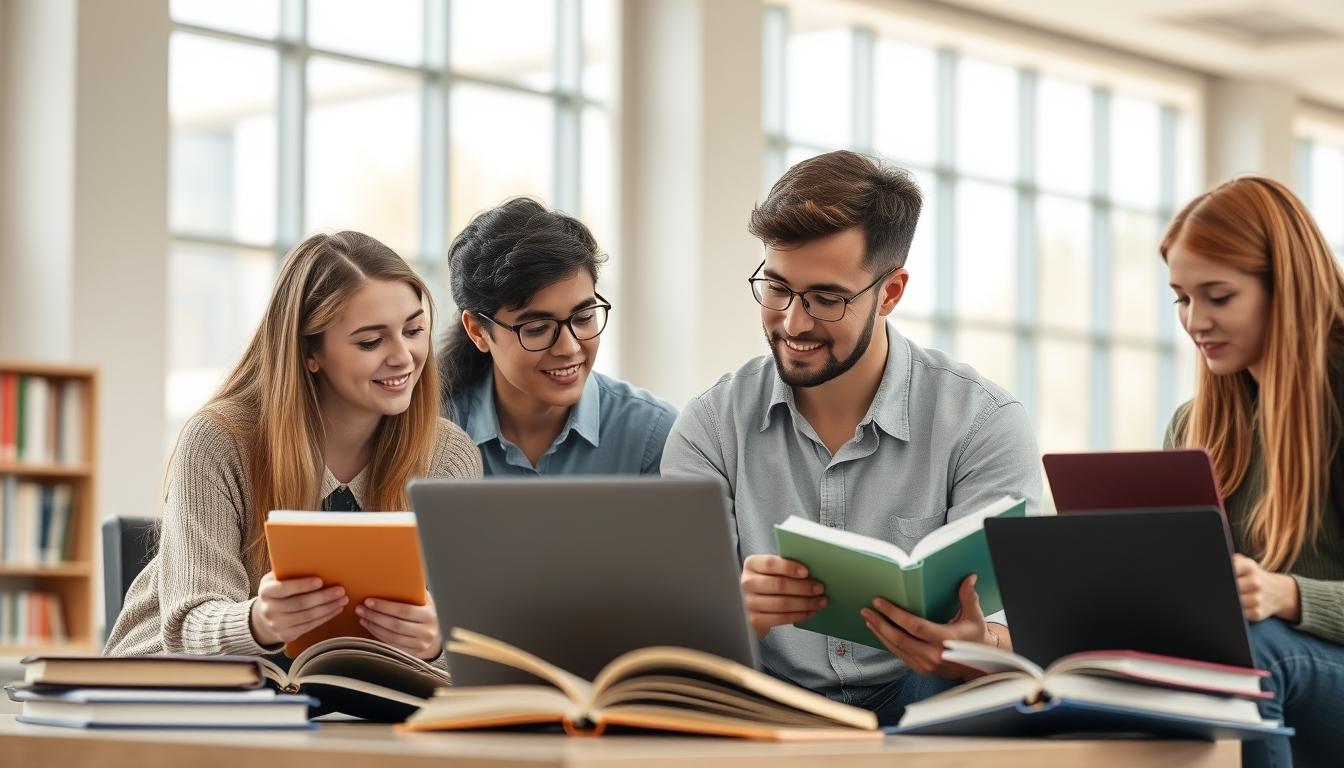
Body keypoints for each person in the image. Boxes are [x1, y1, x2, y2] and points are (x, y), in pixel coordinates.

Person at [660, 150, 1041, 725]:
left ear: (890, 293)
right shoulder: (711, 425)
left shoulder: (983, 422)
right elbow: (672, 637)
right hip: (765, 705)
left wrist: (978, 644)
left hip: (931, 702)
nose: (792, 322)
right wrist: (732, 614)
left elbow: (1027, 634)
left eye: (826, 298)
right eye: (777, 288)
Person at [106, 231, 482, 668]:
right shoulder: (218, 440)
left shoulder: (448, 454)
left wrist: (436, 642)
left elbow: (469, 639)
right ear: (309, 353)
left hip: (348, 708)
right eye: (370, 341)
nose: (404, 356)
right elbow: (187, 626)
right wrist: (259, 622)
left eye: (414, 330)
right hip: (167, 691)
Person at [1162, 176, 1344, 768]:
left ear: (1285, 289)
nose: (1194, 321)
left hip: (1296, 664)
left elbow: (1269, 621)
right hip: (1244, 667)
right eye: (1182, 298)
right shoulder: (1194, 426)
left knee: (1252, 654)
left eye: (1218, 296)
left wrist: (1287, 594)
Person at [440, 198, 676, 475]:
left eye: (584, 318)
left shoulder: (653, 435)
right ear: (478, 331)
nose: (569, 347)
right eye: (537, 328)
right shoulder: (430, 436)